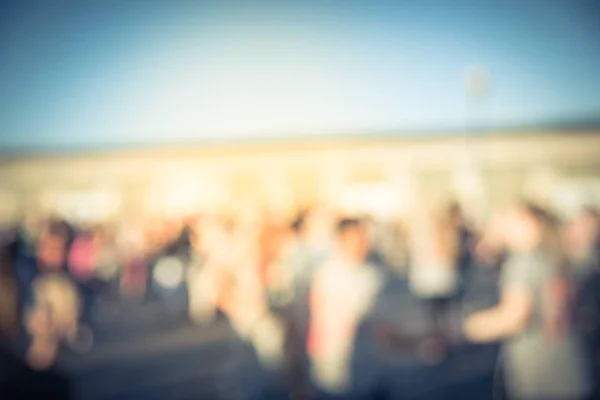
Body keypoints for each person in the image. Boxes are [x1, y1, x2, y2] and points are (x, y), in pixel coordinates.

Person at [463, 202, 592, 400]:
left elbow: (514, 317)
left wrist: (469, 327)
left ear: (529, 222)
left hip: (540, 374)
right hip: (570, 367)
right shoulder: (558, 256)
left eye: (509, 220)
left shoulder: (523, 262)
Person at [307, 218, 383, 399]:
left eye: (364, 238)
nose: (363, 244)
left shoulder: (372, 275)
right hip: (334, 361)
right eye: (356, 238)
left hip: (366, 363)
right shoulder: (327, 274)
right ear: (341, 239)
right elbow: (316, 318)